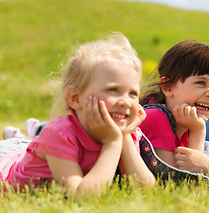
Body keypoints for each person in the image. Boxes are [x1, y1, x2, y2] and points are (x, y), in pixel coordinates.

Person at [0, 33, 155, 195]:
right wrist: (113, 143)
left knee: (24, 144)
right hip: (6, 163)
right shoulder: (59, 134)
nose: (125, 102)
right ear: (75, 98)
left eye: (132, 93)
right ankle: (18, 139)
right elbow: (80, 195)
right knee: (17, 148)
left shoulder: (124, 132)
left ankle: (21, 137)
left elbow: (144, 188)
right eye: (113, 90)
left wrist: (124, 138)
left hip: (25, 151)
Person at [139, 40, 209, 174]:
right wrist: (198, 130)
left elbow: (192, 170)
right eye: (201, 82)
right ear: (168, 87)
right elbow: (175, 179)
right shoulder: (155, 117)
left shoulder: (185, 124)